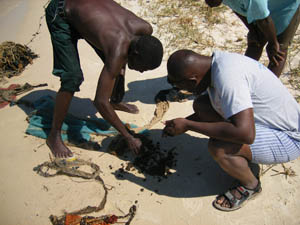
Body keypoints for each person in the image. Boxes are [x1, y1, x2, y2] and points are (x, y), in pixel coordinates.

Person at [163, 49, 300, 211]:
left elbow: (245, 134)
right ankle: (246, 157)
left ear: (192, 80)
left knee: (219, 148)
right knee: (202, 106)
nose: (178, 89)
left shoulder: (229, 79)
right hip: (269, 121)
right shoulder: (218, 62)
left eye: (176, 84)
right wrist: (184, 123)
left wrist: (188, 125)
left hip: (290, 138)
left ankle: (251, 185)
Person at [45, 0, 163, 158]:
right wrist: (128, 137)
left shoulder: (145, 29)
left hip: (84, 13)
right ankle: (54, 135)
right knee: (72, 77)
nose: (141, 72)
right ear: (135, 53)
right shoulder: (118, 49)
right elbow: (100, 102)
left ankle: (114, 101)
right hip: (61, 14)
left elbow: (125, 56)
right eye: (142, 67)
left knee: (119, 65)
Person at [205, 0, 300, 77]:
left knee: (279, 50)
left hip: (288, 4)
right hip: (267, 6)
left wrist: (272, 42)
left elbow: (265, 20)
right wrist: (252, 29)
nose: (207, 2)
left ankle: (267, 89)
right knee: (256, 41)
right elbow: (237, 7)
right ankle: (240, 79)